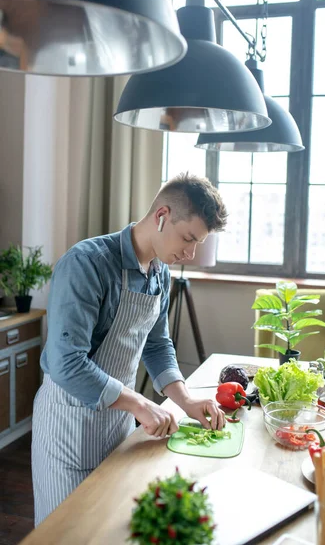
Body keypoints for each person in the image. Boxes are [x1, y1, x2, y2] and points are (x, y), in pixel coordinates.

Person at [31, 173, 228, 526]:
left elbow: (157, 344)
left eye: (197, 243)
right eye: (187, 239)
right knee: (67, 532)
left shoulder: (160, 272)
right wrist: (139, 402)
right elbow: (66, 362)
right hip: (68, 426)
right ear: (162, 215)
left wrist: (186, 400)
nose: (190, 253)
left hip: (117, 425)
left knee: (108, 527)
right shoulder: (88, 264)